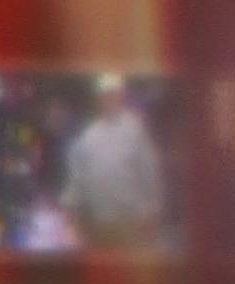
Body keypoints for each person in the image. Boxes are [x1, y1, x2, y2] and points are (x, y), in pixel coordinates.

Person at [60, 74, 166, 246]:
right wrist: (69, 209)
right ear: (98, 99)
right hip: (98, 223)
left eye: (114, 95)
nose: (109, 100)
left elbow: (149, 170)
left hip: (132, 222)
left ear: (121, 97)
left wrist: (153, 210)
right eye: (105, 96)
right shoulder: (88, 136)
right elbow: (78, 177)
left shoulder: (135, 130)